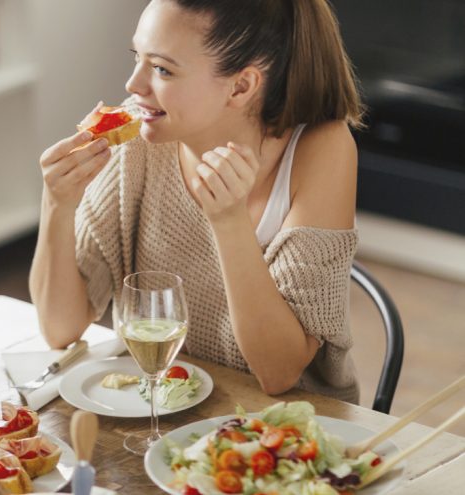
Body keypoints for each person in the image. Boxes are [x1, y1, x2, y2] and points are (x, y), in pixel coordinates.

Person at [31, 0, 364, 401]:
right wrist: (57, 204)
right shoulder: (137, 139)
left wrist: (228, 220)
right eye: (137, 57)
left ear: (241, 86)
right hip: (163, 407)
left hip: (286, 429)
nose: (133, 86)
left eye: (161, 69)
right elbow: (59, 328)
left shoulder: (321, 149)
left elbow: (279, 373)